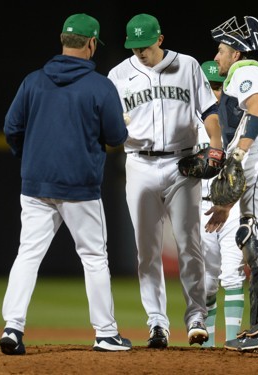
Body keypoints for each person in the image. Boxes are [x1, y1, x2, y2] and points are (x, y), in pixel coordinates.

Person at [0, 13, 131, 355]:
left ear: (62, 39)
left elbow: (12, 128)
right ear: (91, 44)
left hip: (36, 184)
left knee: (27, 255)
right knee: (93, 257)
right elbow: (117, 136)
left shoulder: (33, 81)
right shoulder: (100, 86)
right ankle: (105, 333)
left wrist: (31, 159)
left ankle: (12, 328)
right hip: (79, 187)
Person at [107, 14, 223, 348]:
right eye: (134, 46)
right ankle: (157, 323)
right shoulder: (118, 74)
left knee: (190, 243)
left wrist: (215, 145)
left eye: (144, 45)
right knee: (147, 251)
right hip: (139, 162)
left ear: (159, 39)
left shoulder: (187, 65)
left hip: (182, 163)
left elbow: (209, 111)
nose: (140, 52)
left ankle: (196, 316)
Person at [205, 16, 258, 352]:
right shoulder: (247, 73)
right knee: (257, 240)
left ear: (238, 54)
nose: (217, 57)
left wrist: (239, 154)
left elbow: (256, 106)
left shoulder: (245, 72)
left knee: (255, 239)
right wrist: (227, 204)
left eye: (222, 50)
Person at [198, 61, 246, 348]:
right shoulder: (186, 124)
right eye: (209, 87)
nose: (215, 93)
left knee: (232, 274)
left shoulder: (239, 120)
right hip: (199, 206)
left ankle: (231, 345)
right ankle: (207, 350)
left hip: (232, 205)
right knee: (205, 284)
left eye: (219, 87)